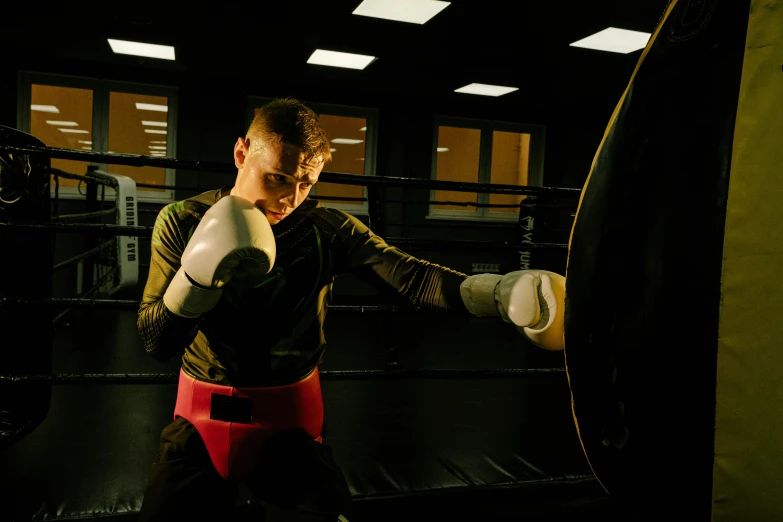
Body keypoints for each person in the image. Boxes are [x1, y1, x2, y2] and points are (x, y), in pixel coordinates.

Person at [136, 97, 565, 522]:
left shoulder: (327, 229)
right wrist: (194, 279)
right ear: (241, 153)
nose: (289, 198)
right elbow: (156, 340)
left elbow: (410, 277)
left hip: (288, 429)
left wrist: (497, 295)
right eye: (278, 177)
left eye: (306, 184)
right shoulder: (184, 221)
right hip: (196, 423)